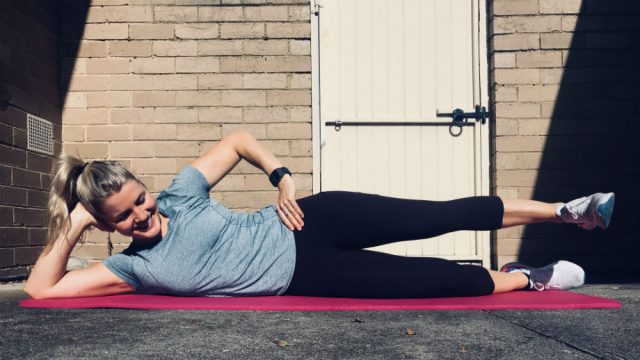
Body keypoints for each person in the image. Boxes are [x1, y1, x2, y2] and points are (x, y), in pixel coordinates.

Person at [24, 130, 615, 299]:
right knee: (437, 281)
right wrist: (76, 223)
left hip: (313, 220)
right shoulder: (132, 270)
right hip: (304, 276)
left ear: (148, 188)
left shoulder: (180, 194)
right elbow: (41, 290)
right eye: (123, 217)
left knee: (443, 213)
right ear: (107, 225)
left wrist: (280, 177)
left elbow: (236, 140)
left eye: (140, 199)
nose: (142, 216)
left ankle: (566, 212)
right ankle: (527, 277)